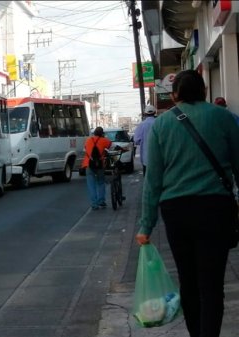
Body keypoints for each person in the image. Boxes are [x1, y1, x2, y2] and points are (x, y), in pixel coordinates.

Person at [136, 70, 239, 337]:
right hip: (215, 209)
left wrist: (146, 226)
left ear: (174, 96)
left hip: (177, 212)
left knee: (188, 280)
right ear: (204, 91)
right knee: (212, 284)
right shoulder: (224, 118)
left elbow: (153, 181)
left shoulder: (161, 125)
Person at [82, 126, 112, 210]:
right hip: (100, 165)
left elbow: (85, 149)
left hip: (89, 164)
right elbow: (110, 145)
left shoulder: (88, 140)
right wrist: (103, 138)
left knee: (91, 185)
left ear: (94, 133)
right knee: (101, 183)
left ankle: (94, 204)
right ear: (102, 133)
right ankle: (101, 201)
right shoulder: (104, 140)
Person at [134, 104, 157, 176]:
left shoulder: (142, 125)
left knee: (148, 180)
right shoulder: (159, 122)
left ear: (145, 113)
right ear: (155, 113)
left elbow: (136, 140)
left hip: (146, 159)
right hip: (159, 159)